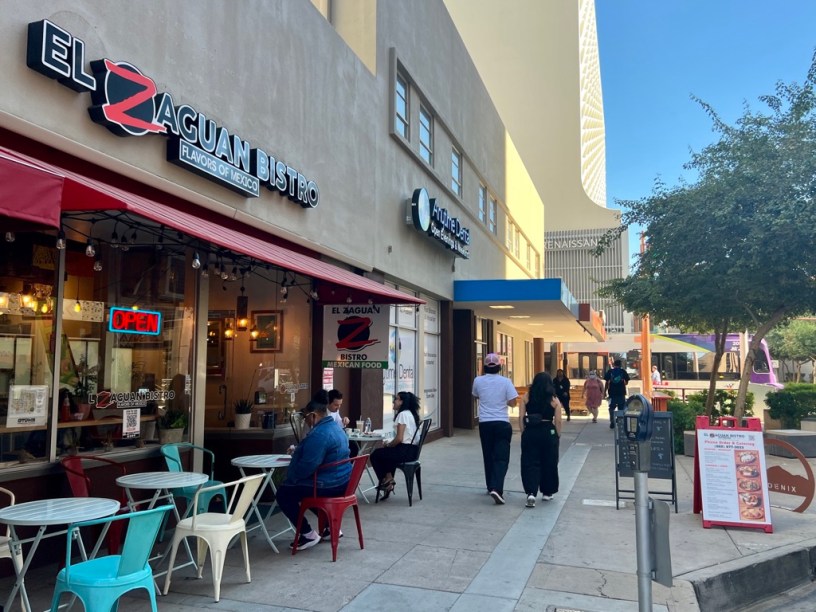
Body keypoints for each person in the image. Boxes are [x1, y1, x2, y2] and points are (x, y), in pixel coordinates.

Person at [276, 398, 351, 550]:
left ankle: (307, 534)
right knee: (303, 491)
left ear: (313, 415)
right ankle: (330, 527)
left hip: (329, 484)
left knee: (284, 493)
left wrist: (291, 477)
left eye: (306, 418)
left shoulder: (319, 434)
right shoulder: (337, 428)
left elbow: (307, 467)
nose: (305, 421)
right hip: (343, 482)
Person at [472, 353, 518, 505]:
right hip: (502, 422)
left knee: (488, 454)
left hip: (485, 423)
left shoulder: (477, 381)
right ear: (499, 367)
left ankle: (490, 485)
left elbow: (475, 396)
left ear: (484, 367)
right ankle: (497, 488)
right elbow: (513, 403)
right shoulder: (506, 382)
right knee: (501, 457)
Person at [519, 372, 562, 507]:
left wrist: (524, 432)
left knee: (530, 462)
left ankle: (531, 492)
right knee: (549, 462)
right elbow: (558, 420)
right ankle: (547, 492)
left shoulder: (526, 396)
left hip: (531, 431)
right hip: (548, 431)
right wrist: (557, 434)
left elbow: (521, 417)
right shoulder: (554, 399)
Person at [370, 391, 421, 500]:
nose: (394, 401)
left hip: (405, 451)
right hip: (412, 451)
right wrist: (389, 445)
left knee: (375, 455)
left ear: (402, 402)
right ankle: (389, 478)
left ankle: (386, 481)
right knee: (386, 454)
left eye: (396, 399)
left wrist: (389, 445)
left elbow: (399, 438)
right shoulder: (410, 414)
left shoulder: (403, 415)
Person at [604, 359, 630, 429]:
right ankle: (619, 421)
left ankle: (612, 420)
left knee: (611, 408)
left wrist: (604, 392)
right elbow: (626, 382)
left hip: (612, 393)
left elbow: (607, 382)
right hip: (621, 393)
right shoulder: (623, 371)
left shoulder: (610, 371)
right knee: (621, 408)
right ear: (620, 365)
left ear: (614, 364)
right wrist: (622, 383)